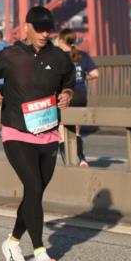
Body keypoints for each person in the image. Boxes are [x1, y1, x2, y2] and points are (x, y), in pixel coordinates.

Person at [0, 7, 75, 261]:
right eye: (39, 28)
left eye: (48, 29)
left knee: (36, 192)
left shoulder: (59, 57)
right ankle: (41, 254)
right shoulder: (10, 55)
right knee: (32, 185)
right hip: (17, 131)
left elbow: (70, 78)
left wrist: (67, 93)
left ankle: (11, 243)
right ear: (27, 26)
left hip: (49, 132)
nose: (45, 33)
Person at [56, 29, 98, 166]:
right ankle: (81, 159)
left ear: (62, 40)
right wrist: (83, 77)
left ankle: (68, 161)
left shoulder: (57, 56)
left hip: (64, 96)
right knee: (77, 132)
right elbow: (96, 74)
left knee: (62, 132)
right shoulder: (83, 55)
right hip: (80, 95)